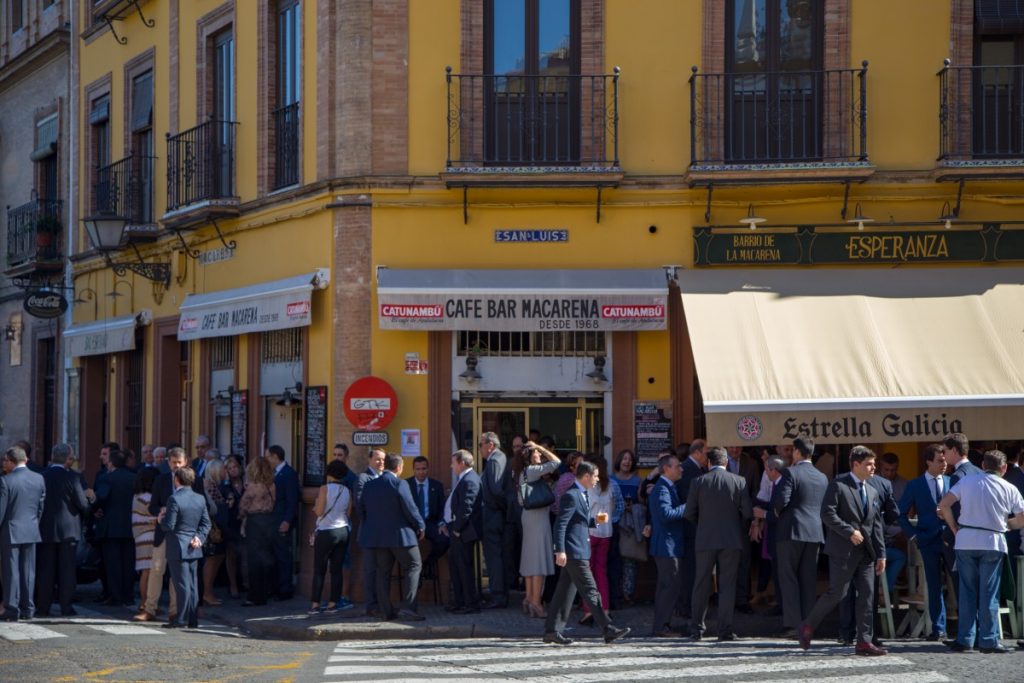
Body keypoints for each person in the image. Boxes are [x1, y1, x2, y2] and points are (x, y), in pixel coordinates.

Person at [798, 446, 887, 656]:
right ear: (855, 464)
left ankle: (864, 641)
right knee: (838, 593)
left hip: (866, 553)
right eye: (869, 464)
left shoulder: (872, 490)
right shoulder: (838, 485)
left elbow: (876, 525)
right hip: (843, 551)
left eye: (874, 464)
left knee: (867, 595)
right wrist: (849, 532)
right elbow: (827, 514)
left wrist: (881, 553)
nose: (873, 467)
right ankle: (807, 625)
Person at [939, 449, 1024, 654]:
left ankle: (965, 640)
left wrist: (953, 527)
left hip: (966, 540)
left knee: (967, 592)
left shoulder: (966, 482)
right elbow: (1022, 519)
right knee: (989, 593)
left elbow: (943, 505)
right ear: (1003, 468)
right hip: (993, 542)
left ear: (984, 465)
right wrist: (1005, 525)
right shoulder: (1009, 487)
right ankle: (988, 640)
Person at [542, 460, 630, 646]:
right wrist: (560, 550)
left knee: (563, 593)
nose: (598, 479)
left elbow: (580, 522)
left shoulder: (582, 494)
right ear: (586, 476)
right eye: (596, 476)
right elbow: (561, 524)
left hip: (580, 549)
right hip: (574, 552)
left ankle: (552, 630)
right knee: (590, 590)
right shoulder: (571, 495)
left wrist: (597, 520)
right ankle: (607, 628)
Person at [685, 446, 753, 641]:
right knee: (727, 585)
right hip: (731, 539)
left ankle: (696, 629)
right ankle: (724, 630)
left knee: (701, 584)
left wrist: (703, 525)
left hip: (705, 539)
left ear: (709, 463)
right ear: (726, 463)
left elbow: (689, 513)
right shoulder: (738, 481)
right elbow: (747, 513)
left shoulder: (698, 482)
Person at [772, 436, 828, 638]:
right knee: (808, 580)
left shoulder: (790, 473)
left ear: (796, 452)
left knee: (788, 578)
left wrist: (777, 512)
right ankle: (809, 624)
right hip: (814, 532)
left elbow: (781, 501)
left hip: (791, 530)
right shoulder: (822, 477)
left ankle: (793, 625)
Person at [359, 453, 425, 621]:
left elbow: (362, 510)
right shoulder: (400, 483)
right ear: (399, 468)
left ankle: (386, 611)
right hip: (400, 536)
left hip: (377, 538)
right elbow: (410, 508)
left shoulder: (369, 485)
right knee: (413, 565)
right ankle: (408, 608)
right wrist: (420, 525)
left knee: (383, 572)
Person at [899, 443, 952, 641]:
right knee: (934, 585)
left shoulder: (951, 481)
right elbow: (901, 514)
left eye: (945, 460)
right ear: (928, 461)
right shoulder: (915, 485)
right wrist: (913, 535)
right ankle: (939, 628)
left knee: (957, 583)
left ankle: (963, 627)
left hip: (949, 540)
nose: (944, 464)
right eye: (940, 461)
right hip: (927, 540)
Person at [37, 444, 90, 617]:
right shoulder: (73, 477)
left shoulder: (42, 476)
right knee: (67, 572)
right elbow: (82, 504)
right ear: (68, 458)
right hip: (69, 530)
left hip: (45, 529)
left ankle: (43, 607)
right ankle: (66, 607)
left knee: (46, 571)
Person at [136, 447, 186, 622]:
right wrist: (160, 511)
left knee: (176, 573)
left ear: (185, 462)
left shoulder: (193, 480)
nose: (176, 466)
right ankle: (150, 608)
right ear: (168, 462)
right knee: (156, 569)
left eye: (179, 463)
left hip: (182, 533)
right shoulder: (161, 480)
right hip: (163, 532)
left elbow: (200, 504)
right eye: (173, 463)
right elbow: (152, 506)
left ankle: (175, 610)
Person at [159, 467, 211, 629]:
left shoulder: (174, 499)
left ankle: (180, 619)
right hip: (194, 545)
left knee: (181, 584)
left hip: (177, 545)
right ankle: (192, 619)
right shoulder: (200, 498)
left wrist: (160, 519)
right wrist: (199, 538)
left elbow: (169, 525)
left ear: (177, 480)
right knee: (193, 584)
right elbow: (206, 523)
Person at [0, 447, 44, 621]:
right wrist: (34, 523)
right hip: (31, 528)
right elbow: (40, 507)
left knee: (11, 571)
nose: (4, 463)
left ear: (11, 461)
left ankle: (12, 608)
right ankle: (28, 608)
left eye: (5, 460)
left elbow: (1, 510)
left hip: (10, 529)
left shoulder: (6, 481)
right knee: (28, 571)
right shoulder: (39, 478)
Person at [580, 454, 624, 626]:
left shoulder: (589, 486)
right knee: (601, 572)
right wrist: (601, 521)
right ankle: (605, 609)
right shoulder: (611, 484)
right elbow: (611, 512)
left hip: (590, 533)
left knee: (587, 575)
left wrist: (591, 523)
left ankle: (588, 611)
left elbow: (585, 511)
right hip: (606, 533)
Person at [518, 442, 559, 618]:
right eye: (537, 454)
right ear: (529, 456)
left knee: (530, 559)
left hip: (529, 517)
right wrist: (542, 447)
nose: (540, 456)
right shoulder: (533, 471)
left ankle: (528, 598)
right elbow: (556, 462)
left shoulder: (524, 472)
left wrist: (537, 448)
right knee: (539, 561)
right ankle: (536, 602)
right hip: (538, 519)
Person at [309, 459, 354, 616]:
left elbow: (320, 511)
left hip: (326, 531)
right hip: (343, 531)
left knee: (319, 570)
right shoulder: (347, 491)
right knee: (337, 570)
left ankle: (315, 605)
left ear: (329, 473)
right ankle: (333, 603)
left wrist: (315, 507)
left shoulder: (324, 489)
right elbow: (348, 513)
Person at [648, 453, 686, 637]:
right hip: (666, 546)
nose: (681, 469)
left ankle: (663, 624)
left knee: (667, 586)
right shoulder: (663, 489)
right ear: (666, 469)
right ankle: (661, 626)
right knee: (669, 586)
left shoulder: (668, 487)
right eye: (677, 465)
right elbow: (666, 514)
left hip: (667, 545)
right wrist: (687, 507)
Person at [95, 449, 137, 607]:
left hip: (111, 527)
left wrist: (94, 508)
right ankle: (128, 595)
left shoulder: (107, 478)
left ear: (111, 463)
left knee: (113, 564)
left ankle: (116, 596)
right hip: (130, 526)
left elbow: (101, 497)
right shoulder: (134, 478)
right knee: (128, 563)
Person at [942, 432, 982, 597]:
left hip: (961, 539)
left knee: (963, 589)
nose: (943, 456)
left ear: (954, 451)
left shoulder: (958, 476)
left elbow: (956, 509)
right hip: (981, 537)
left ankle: (968, 623)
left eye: (945, 451)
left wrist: (951, 527)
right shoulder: (980, 472)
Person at [443, 449, 483, 613]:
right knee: (456, 566)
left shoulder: (470, 480)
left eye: (453, 463)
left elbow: (466, 508)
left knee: (464, 568)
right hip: (456, 529)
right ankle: (459, 602)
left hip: (463, 531)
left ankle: (470, 603)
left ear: (462, 463)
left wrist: (457, 529)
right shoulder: (464, 479)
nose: (451, 466)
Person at [675, 439, 708, 624]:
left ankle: (686, 605)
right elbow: (691, 502)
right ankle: (686, 606)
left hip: (691, 528)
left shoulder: (693, 469)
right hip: (690, 529)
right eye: (705, 452)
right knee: (690, 569)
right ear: (696, 452)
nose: (707, 457)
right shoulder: (689, 470)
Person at [726, 446, 760, 613]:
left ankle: (742, 598)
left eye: (737, 445)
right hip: (723, 520)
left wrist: (754, 518)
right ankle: (726, 598)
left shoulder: (751, 464)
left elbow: (756, 491)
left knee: (744, 560)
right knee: (724, 560)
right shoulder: (717, 461)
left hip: (744, 520)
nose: (734, 449)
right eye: (731, 445)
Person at [479, 431, 511, 609]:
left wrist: (499, 508)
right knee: (496, 556)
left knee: (493, 557)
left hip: (493, 516)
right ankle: (498, 593)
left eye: (481, 444)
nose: (480, 449)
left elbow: (496, 490)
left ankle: (497, 595)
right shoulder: (498, 459)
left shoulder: (494, 460)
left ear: (490, 445)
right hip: (496, 514)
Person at [239, 456, 276, 607]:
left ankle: (254, 596)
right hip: (269, 520)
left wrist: (240, 517)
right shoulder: (272, 485)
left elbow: (243, 506)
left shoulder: (253, 486)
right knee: (265, 558)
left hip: (254, 522)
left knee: (253, 560)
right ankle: (265, 592)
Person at [266, 445, 299, 600]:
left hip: (282, 520)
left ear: (275, 456)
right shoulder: (274, 473)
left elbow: (293, 500)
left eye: (268, 457)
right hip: (272, 520)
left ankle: (285, 589)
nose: (267, 460)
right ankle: (275, 587)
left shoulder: (289, 473)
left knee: (283, 556)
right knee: (274, 555)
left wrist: (287, 520)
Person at [355, 448, 386, 616]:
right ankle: (371, 605)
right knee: (370, 570)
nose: (381, 462)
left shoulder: (385, 478)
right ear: (369, 460)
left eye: (383, 459)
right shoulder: (363, 478)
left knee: (383, 569)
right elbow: (360, 505)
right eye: (377, 459)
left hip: (385, 533)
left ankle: (382, 603)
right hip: (369, 532)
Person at [609, 448, 641, 607]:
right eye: (624, 459)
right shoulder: (611, 480)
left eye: (629, 459)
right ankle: (615, 593)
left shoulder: (637, 481)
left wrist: (634, 507)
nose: (627, 462)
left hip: (630, 524)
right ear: (619, 461)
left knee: (630, 560)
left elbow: (642, 502)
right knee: (615, 560)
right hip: (615, 523)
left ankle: (627, 593)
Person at [405, 456, 449, 568]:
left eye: (423, 468)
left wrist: (442, 523)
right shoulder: (405, 485)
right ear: (413, 469)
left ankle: (427, 565)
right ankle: (413, 572)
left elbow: (442, 507)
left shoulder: (436, 485)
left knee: (444, 540)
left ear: (428, 469)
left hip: (430, 523)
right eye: (418, 469)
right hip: (412, 524)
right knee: (404, 545)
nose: (421, 472)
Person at [131, 467, 159, 617]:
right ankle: (145, 603)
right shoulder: (147, 497)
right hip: (148, 536)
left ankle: (147, 603)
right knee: (148, 571)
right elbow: (156, 514)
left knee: (146, 571)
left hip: (141, 536)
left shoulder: (138, 495)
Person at [201, 460, 229, 606]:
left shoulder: (216, 486)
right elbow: (214, 508)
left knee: (218, 558)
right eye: (224, 469)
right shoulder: (210, 486)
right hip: (213, 528)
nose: (226, 471)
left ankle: (208, 592)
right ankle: (207, 592)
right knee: (212, 560)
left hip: (218, 528)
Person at [221, 455, 246, 598]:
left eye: (235, 467)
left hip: (245, 522)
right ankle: (233, 585)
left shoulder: (247, 483)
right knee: (231, 555)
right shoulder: (225, 486)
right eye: (230, 468)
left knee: (244, 554)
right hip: (231, 523)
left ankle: (244, 582)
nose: (233, 470)